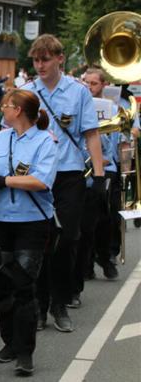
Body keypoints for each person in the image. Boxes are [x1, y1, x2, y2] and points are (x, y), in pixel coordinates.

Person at [24, 34, 104, 333]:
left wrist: (97, 176)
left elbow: (91, 134)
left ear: (59, 58)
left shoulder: (78, 92)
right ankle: (41, 304)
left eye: (45, 59)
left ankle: (61, 300)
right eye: (36, 59)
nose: (40, 65)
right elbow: (13, 131)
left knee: (67, 238)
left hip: (69, 173)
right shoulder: (26, 91)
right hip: (36, 176)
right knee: (41, 241)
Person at [0, 90, 58, 376]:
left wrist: (3, 180)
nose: (3, 108)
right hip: (0, 221)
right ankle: (10, 342)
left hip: (31, 222)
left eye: (7, 105)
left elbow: (42, 180)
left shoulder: (45, 141)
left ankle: (25, 351)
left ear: (19, 110)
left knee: (24, 287)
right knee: (1, 285)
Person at [76, 68, 120, 286]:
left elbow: (115, 144)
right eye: (87, 82)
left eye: (94, 83)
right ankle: (86, 264)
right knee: (85, 222)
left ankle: (105, 256)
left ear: (103, 85)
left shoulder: (112, 109)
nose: (90, 87)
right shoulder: (78, 106)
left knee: (105, 216)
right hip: (81, 170)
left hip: (105, 168)